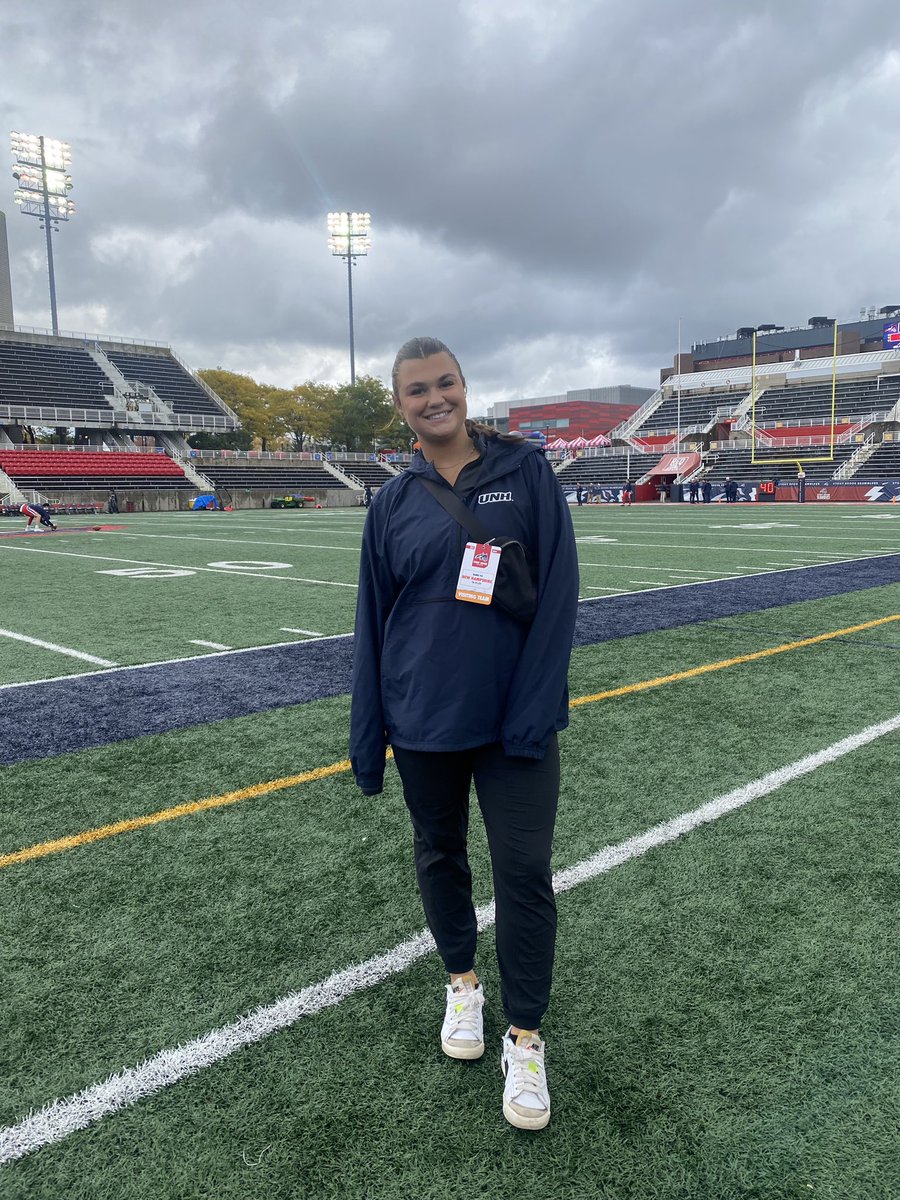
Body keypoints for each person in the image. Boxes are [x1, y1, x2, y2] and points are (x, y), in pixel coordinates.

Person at [350, 336, 579, 1131]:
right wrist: (368, 734)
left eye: (445, 383)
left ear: (464, 387)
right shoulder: (392, 501)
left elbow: (559, 598)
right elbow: (373, 623)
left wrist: (535, 705)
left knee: (523, 873)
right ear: (401, 404)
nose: (434, 399)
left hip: (516, 724)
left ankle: (525, 1036)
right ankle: (462, 987)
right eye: (417, 390)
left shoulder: (525, 473)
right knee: (439, 853)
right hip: (421, 721)